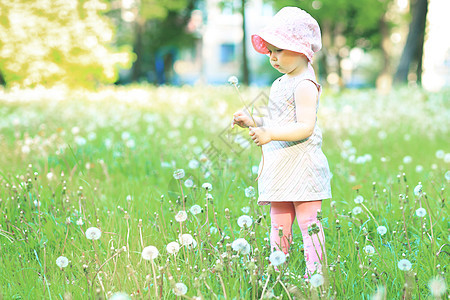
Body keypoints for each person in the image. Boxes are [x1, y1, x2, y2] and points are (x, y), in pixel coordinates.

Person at [231, 7, 332, 278]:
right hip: (280, 166)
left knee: (309, 222)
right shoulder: (281, 82)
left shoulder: (305, 84)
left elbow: (305, 127)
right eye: (270, 51)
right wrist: (253, 121)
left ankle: (316, 276)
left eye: (280, 51)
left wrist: (270, 135)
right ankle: (278, 272)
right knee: (278, 222)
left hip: (302, 164)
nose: (273, 58)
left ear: (302, 50)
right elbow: (276, 118)